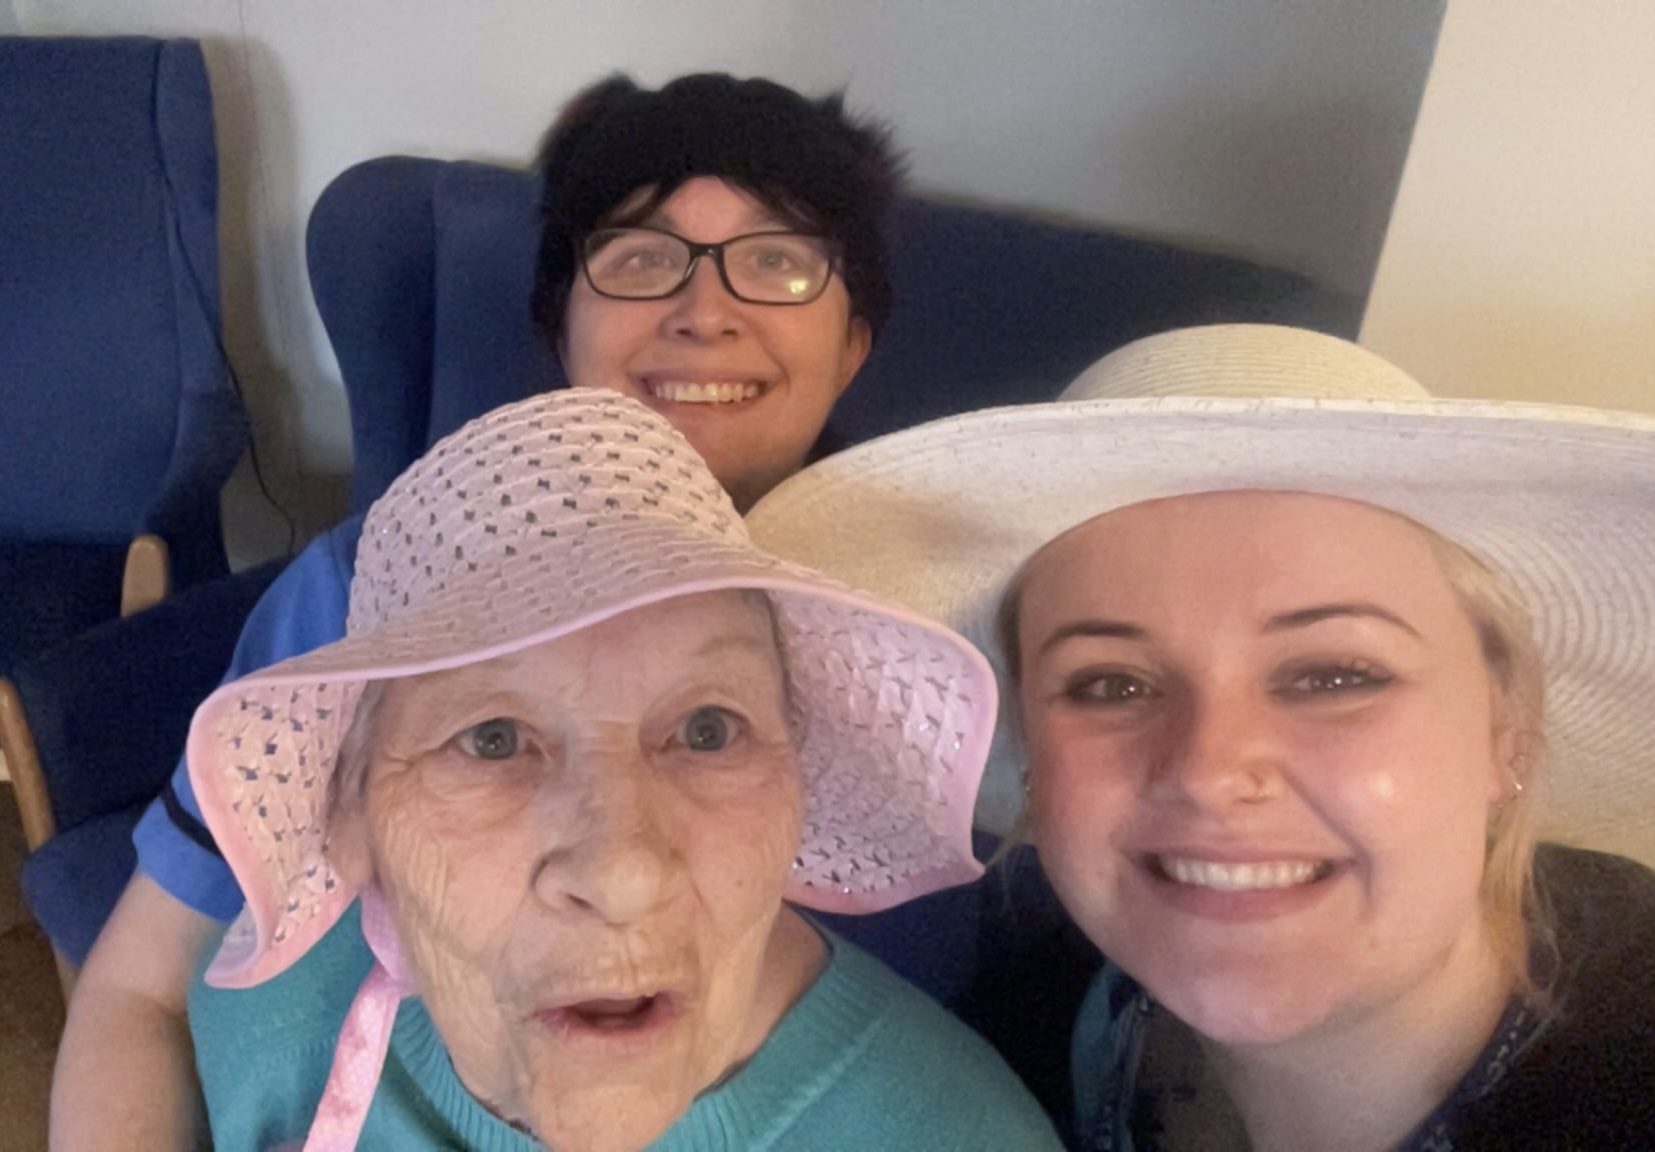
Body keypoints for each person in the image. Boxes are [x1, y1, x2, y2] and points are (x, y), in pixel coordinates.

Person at [54, 72, 898, 1149]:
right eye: (641, 258)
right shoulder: (371, 584)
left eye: (777, 260)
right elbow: (142, 987)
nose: (705, 312)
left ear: (852, 342)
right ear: (561, 323)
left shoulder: (944, 619)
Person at [746, 324, 1655, 1149]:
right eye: (1110, 684)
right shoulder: (1014, 1035)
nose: (1206, 771)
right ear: (1026, 740)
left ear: (1505, 729)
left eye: (1332, 676)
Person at [184, 388, 1061, 1150]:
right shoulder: (262, 1028)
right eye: (493, 739)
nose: (622, 874)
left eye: (708, 730)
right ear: (353, 812)